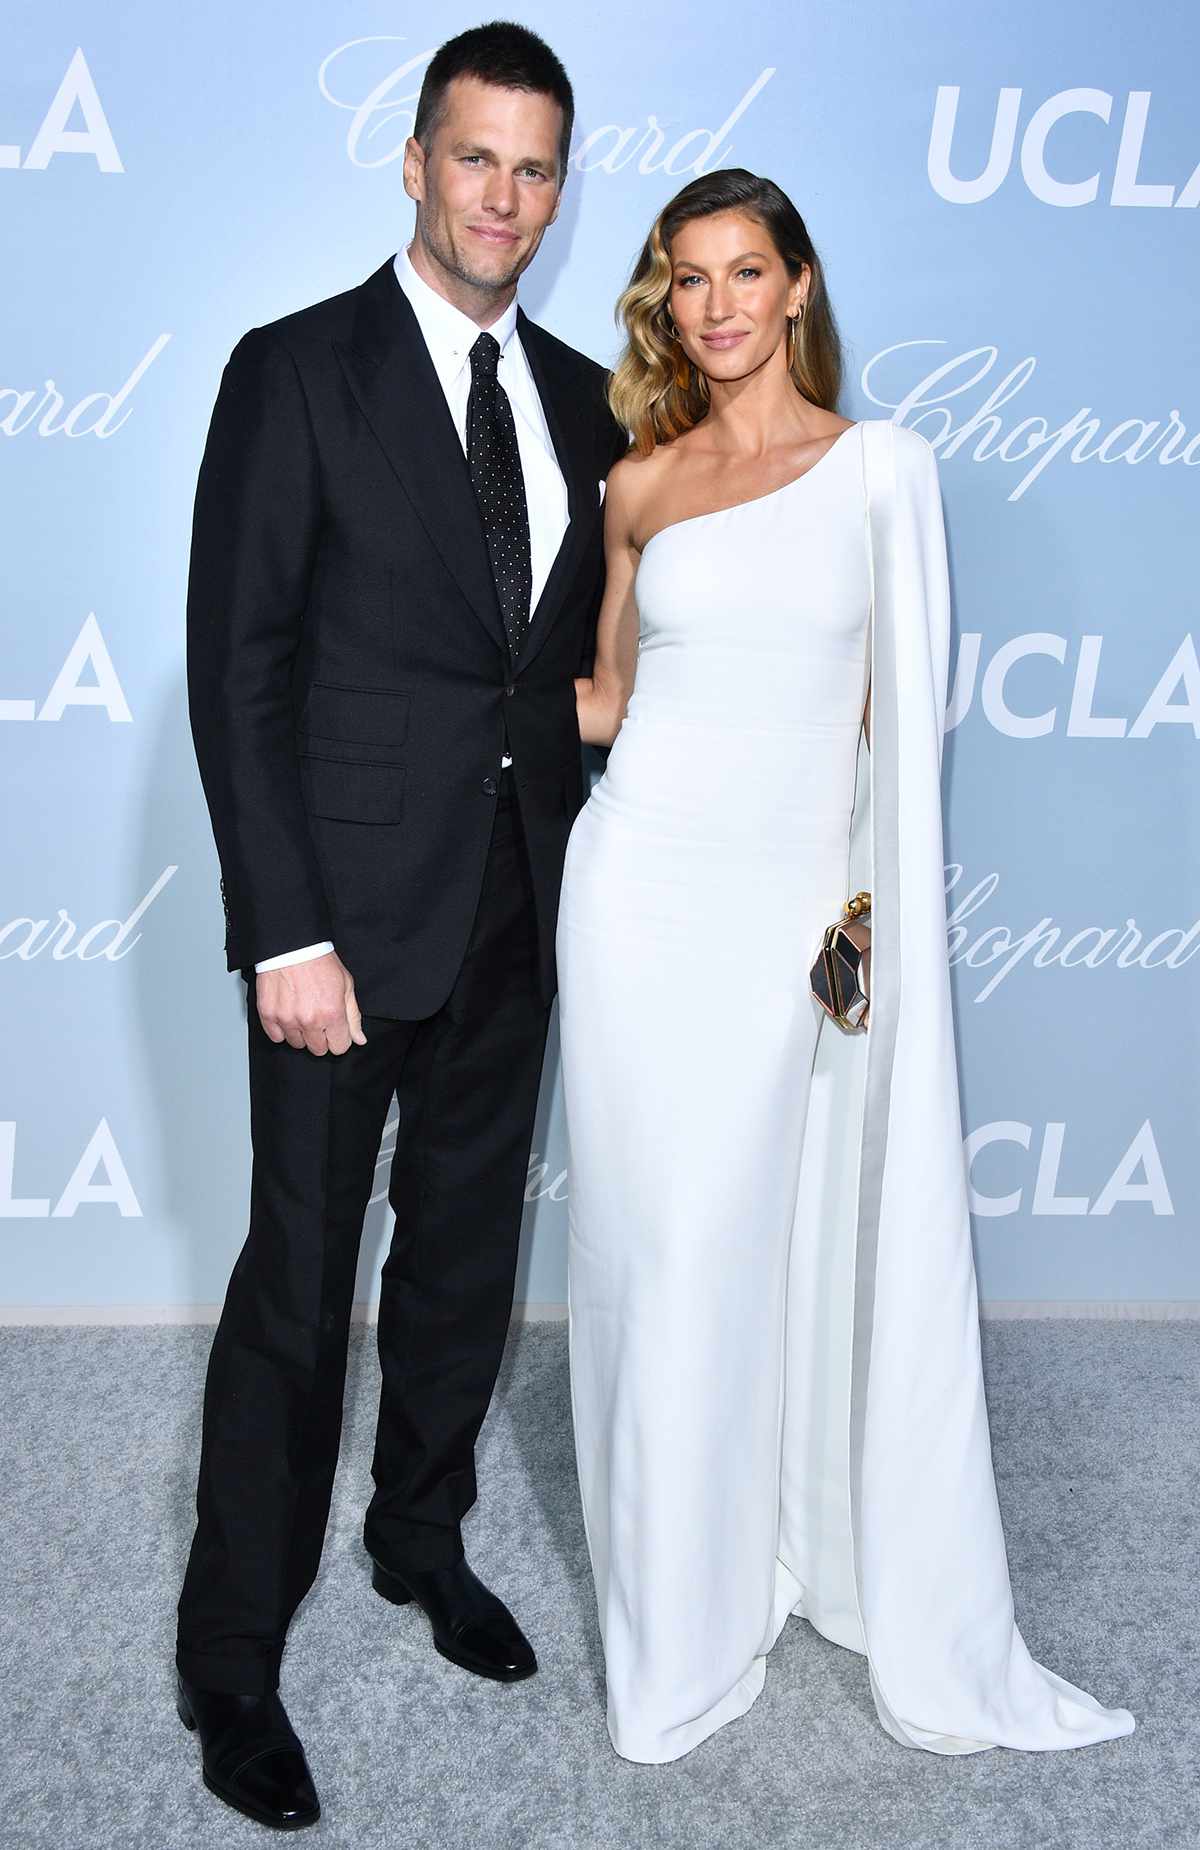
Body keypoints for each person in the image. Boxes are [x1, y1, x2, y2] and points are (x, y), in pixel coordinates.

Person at [558, 168, 1136, 1764]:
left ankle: (791, 1544)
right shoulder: (638, 485)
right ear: (666, 299)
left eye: (748, 272)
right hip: (632, 905)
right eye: (689, 278)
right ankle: (675, 1622)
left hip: (789, 924)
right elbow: (602, 699)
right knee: (652, 1260)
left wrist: (860, 929)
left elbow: (897, 734)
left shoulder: (882, 470)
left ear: (800, 286)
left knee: (776, 1248)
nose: (719, 304)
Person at [177, 22, 626, 1828]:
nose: (505, 198)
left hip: (517, 916)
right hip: (339, 943)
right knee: (296, 1292)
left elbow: (572, 680)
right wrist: (285, 929)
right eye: (476, 159)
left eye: (536, 169)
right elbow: (240, 668)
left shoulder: (592, 402)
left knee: (459, 1274)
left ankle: (416, 1540)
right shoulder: (293, 372)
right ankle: (230, 1656)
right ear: (416, 160)